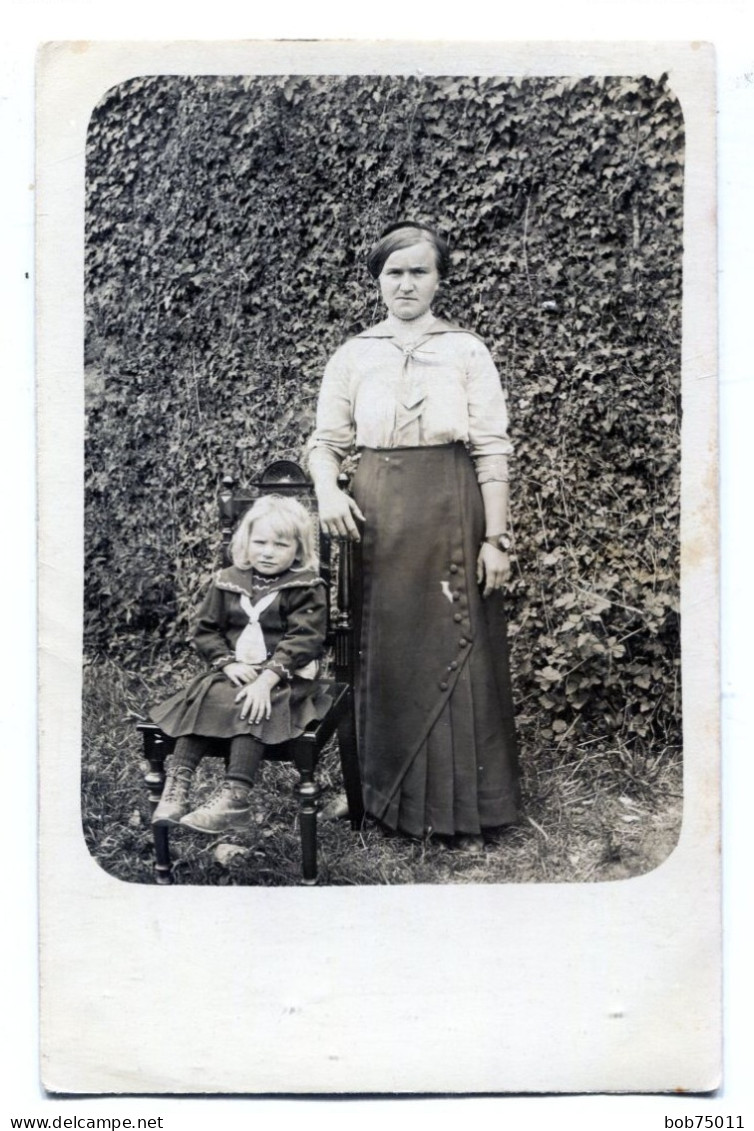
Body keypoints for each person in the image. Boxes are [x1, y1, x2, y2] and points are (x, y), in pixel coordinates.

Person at [307, 220, 521, 849]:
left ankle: (469, 812)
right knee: (390, 650)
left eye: (418, 271)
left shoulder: (466, 351)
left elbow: (491, 449)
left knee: (462, 649)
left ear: (438, 279)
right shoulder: (353, 354)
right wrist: (326, 491)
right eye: (394, 272)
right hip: (378, 517)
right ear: (378, 280)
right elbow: (327, 443)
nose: (406, 283)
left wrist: (496, 538)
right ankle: (388, 804)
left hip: (452, 512)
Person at [149, 495, 332, 833]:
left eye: (280, 544)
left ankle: (236, 796)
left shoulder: (306, 586)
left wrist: (266, 681)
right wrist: (226, 663)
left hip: (285, 677)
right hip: (238, 670)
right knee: (206, 692)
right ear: (245, 543)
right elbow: (204, 629)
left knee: (256, 702)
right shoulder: (229, 581)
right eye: (259, 542)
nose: (267, 551)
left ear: (298, 548)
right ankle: (178, 785)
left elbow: (305, 639)